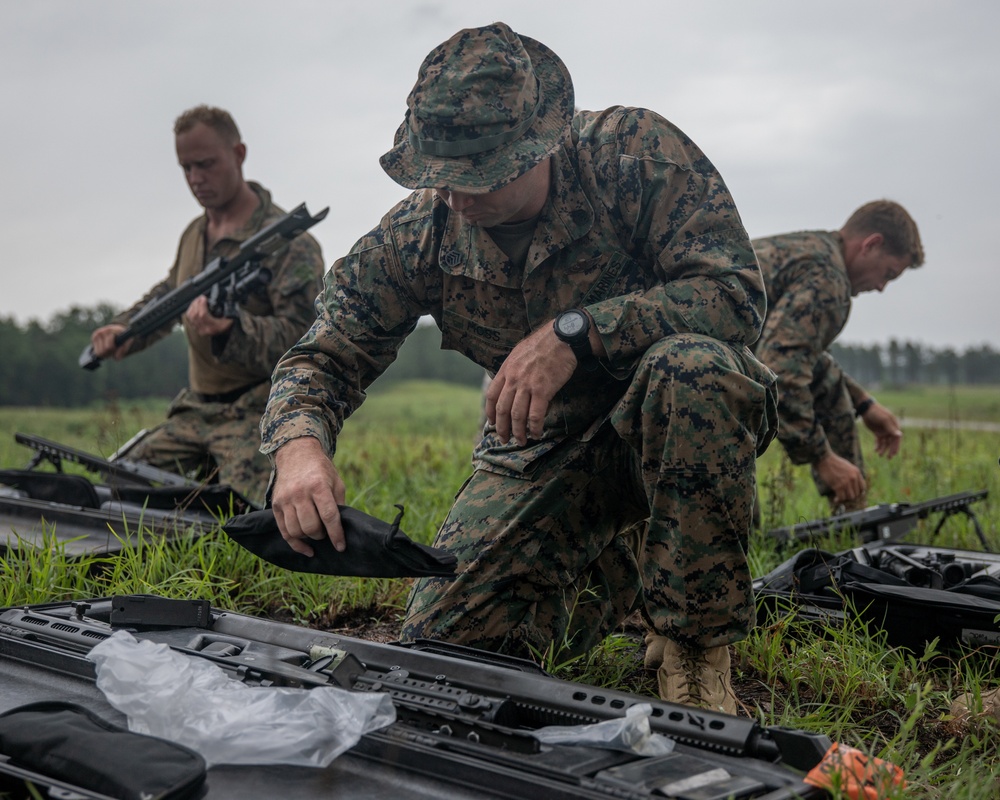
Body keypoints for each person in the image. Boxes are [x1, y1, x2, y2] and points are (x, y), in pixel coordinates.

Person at [259, 23, 777, 715]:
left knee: (693, 370)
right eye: (437, 175)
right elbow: (323, 354)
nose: (453, 196)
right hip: (542, 446)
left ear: (543, 143)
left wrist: (579, 333)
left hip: (679, 421)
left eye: (478, 174)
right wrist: (298, 450)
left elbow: (736, 297)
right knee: (447, 651)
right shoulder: (418, 235)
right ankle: (625, 567)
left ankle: (694, 643)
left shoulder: (634, 156)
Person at [88, 105, 325, 508]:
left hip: (260, 410)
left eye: (207, 164)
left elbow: (306, 344)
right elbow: (170, 293)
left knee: (251, 516)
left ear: (239, 153)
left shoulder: (289, 243)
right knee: (116, 490)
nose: (196, 179)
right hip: (195, 410)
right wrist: (125, 329)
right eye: (186, 168)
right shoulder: (194, 234)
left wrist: (232, 329)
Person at [751, 201, 924, 514]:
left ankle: (851, 517)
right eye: (888, 274)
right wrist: (822, 458)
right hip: (693, 378)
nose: (882, 287)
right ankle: (851, 517)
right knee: (736, 543)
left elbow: (807, 360)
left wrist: (864, 403)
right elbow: (780, 371)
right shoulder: (828, 280)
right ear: (872, 244)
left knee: (826, 378)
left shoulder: (812, 248)